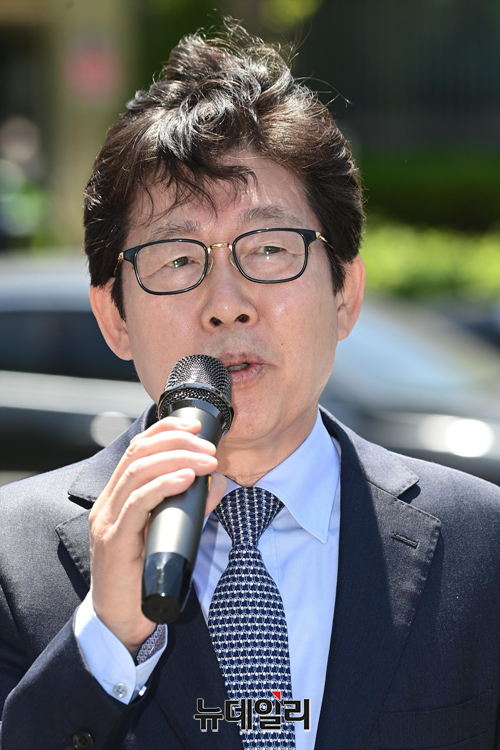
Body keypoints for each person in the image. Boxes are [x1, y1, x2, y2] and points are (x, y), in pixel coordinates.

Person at [1, 19, 500, 750]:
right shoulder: (11, 557)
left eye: (268, 248)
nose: (226, 303)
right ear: (114, 316)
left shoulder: (482, 544)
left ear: (345, 292)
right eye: (177, 259)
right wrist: (105, 641)